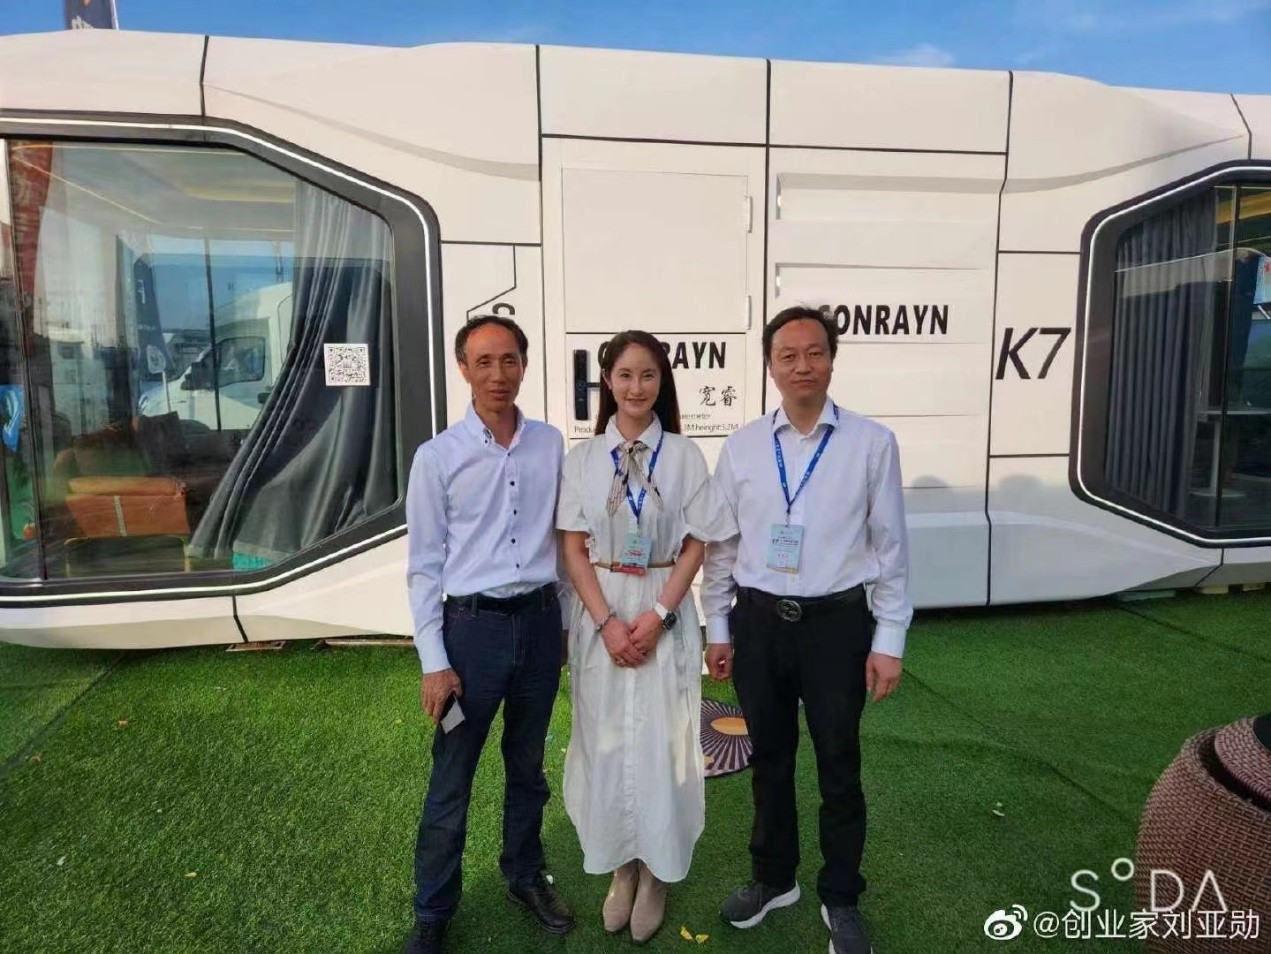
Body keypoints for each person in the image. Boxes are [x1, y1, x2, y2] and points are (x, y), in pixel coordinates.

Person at [701, 306, 912, 954]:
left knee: (838, 763)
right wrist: (718, 627)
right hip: (759, 624)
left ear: (831, 359)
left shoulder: (871, 443)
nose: (802, 366)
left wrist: (888, 641)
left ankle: (841, 895)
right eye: (787, 355)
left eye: (814, 352)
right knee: (768, 759)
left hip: (836, 627)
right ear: (769, 365)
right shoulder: (742, 447)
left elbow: (891, 549)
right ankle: (773, 878)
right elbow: (722, 547)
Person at [556, 330, 736, 944]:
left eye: (649, 375)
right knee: (604, 743)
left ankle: (657, 872)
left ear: (663, 382)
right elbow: (572, 548)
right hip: (601, 609)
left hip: (664, 606)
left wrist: (658, 615)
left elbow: (697, 543)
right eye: (626, 375)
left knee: (665, 743)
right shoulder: (582, 460)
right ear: (607, 381)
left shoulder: (684, 456)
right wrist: (608, 623)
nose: (637, 387)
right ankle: (621, 868)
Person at [402, 315, 574, 954]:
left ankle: (524, 875)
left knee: (528, 767)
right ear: (463, 369)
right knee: (452, 779)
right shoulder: (437, 458)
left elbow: (563, 542)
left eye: (509, 360)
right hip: (470, 635)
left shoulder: (550, 444)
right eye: (483, 362)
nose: (498, 374)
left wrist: (564, 626)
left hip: (539, 625)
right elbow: (423, 566)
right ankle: (433, 910)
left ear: (524, 365)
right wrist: (434, 660)